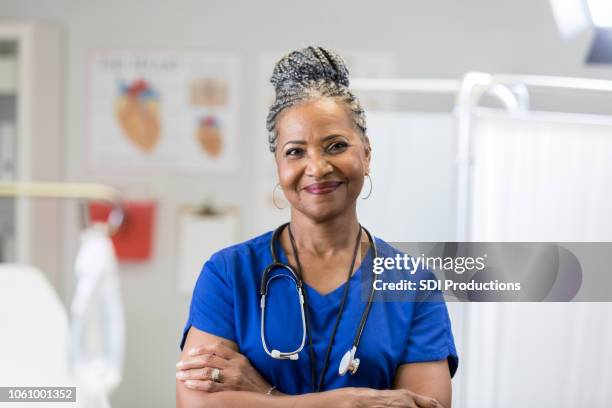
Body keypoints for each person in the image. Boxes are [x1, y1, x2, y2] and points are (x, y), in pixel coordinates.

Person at [176, 46, 458, 408]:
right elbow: (196, 404)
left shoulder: (412, 283)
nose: (317, 167)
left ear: (367, 154)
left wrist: (263, 393)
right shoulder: (230, 274)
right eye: (295, 151)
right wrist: (347, 401)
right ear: (278, 165)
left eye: (335, 146)